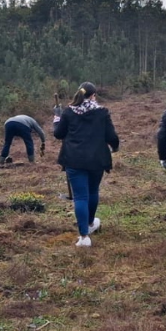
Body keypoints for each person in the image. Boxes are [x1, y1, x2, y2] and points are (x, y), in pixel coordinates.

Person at [54, 82, 119, 247]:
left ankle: (84, 237)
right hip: (97, 159)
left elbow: (58, 134)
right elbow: (111, 135)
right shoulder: (102, 112)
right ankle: (90, 224)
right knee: (92, 192)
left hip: (74, 159)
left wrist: (57, 118)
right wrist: (115, 146)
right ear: (93, 95)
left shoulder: (68, 112)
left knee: (80, 197)